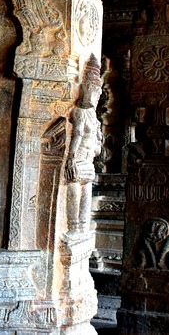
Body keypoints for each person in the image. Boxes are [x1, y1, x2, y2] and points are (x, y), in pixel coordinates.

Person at [65, 54, 102, 238]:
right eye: (93, 90)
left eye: (98, 92)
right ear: (85, 89)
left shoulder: (91, 116)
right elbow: (77, 134)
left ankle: (79, 228)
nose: (95, 96)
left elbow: (95, 146)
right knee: (76, 190)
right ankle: (75, 227)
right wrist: (70, 157)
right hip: (80, 158)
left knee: (82, 192)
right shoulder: (80, 112)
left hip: (85, 159)